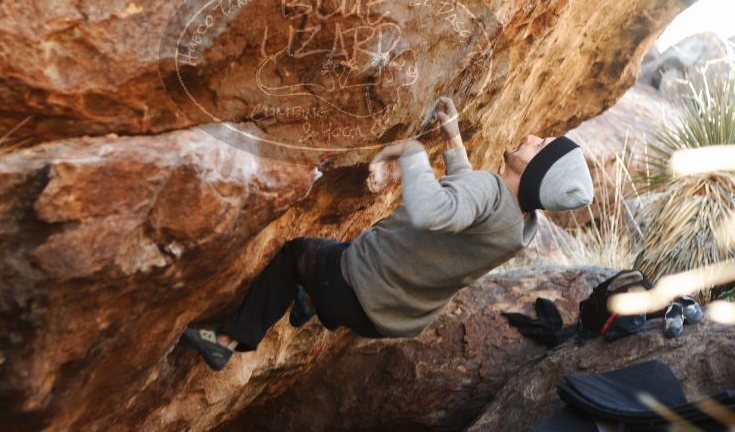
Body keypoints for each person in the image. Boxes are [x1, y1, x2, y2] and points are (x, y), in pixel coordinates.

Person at [179, 97, 594, 371]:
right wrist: (451, 135)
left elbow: (435, 211)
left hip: (355, 286)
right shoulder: (516, 224)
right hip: (388, 316)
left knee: (296, 255)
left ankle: (231, 338)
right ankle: (311, 303)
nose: (533, 137)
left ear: (536, 170)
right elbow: (465, 202)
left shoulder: (489, 191)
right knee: (331, 265)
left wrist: (412, 151)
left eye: (540, 146)